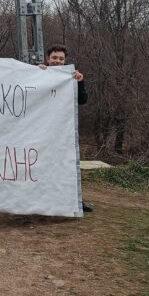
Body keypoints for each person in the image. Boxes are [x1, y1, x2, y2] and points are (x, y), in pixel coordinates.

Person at [40, 43, 93, 213]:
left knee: (67, 165)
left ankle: (75, 200)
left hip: (63, 131)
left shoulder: (71, 77)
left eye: (61, 59)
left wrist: (80, 82)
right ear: (48, 58)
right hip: (41, 130)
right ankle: (40, 200)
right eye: (54, 58)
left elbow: (82, 100)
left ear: (65, 60)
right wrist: (35, 72)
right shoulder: (38, 73)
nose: (57, 61)